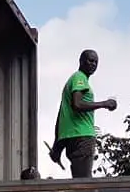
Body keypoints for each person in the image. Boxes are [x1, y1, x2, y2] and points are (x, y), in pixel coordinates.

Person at [50, 49, 117, 180]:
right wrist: (105, 104)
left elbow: (61, 117)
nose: (93, 64)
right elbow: (77, 104)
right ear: (81, 61)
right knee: (84, 184)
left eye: (96, 62)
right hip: (83, 137)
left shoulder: (72, 81)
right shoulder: (79, 78)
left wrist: (57, 147)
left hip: (71, 138)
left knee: (79, 180)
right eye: (90, 60)